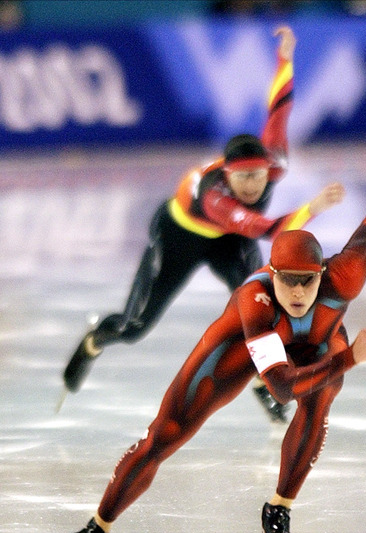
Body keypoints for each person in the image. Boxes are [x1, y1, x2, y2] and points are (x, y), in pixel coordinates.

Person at [54, 92, 366, 533]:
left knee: (322, 396)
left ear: (321, 275)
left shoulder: (346, 274)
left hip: (314, 341)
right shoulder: (257, 299)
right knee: (164, 435)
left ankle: (280, 506)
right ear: (272, 275)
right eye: (285, 280)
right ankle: (99, 525)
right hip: (240, 346)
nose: (295, 292)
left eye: (305, 282)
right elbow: (282, 388)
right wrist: (350, 359)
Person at [60, 25, 345, 423]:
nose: (250, 185)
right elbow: (261, 228)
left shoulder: (273, 162)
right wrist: (312, 207)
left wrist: (285, 56)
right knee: (135, 325)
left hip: (229, 240)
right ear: (226, 175)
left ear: (269, 171)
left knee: (262, 308)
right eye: (241, 178)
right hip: (180, 236)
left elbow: (279, 107)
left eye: (257, 177)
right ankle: (94, 340)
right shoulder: (216, 197)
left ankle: (266, 384)